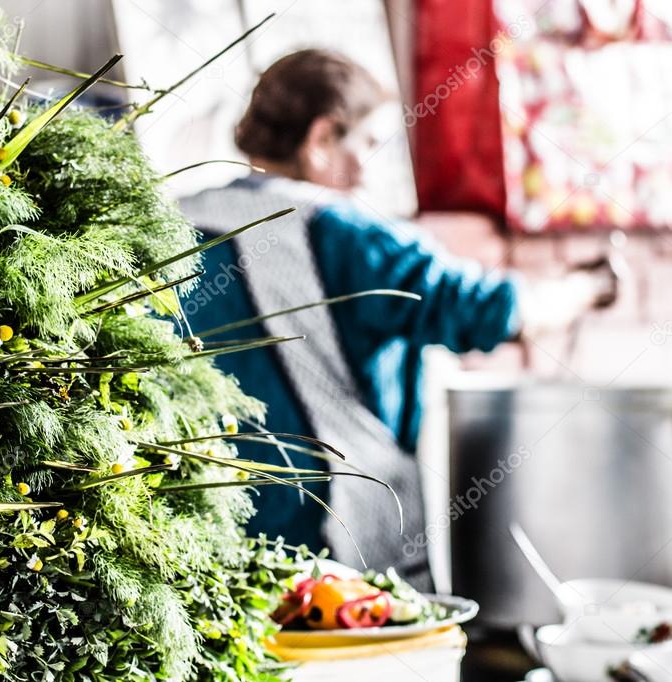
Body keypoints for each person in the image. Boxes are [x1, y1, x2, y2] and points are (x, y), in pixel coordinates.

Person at [180, 50, 617, 587]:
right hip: (330, 524)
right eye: (365, 144)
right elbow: (492, 311)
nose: (366, 171)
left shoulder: (181, 220)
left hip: (203, 521)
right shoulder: (338, 229)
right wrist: (590, 285)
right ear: (320, 140)